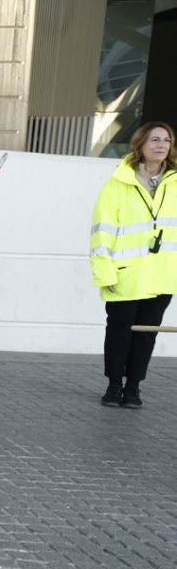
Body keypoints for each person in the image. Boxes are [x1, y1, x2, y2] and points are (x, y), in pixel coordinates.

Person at [90, 120, 175, 408]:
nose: (161, 144)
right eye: (154, 139)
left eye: (166, 140)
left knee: (146, 335)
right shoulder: (117, 184)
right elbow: (102, 232)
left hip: (162, 276)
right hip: (124, 274)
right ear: (139, 144)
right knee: (119, 332)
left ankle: (134, 387)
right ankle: (114, 385)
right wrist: (104, 270)